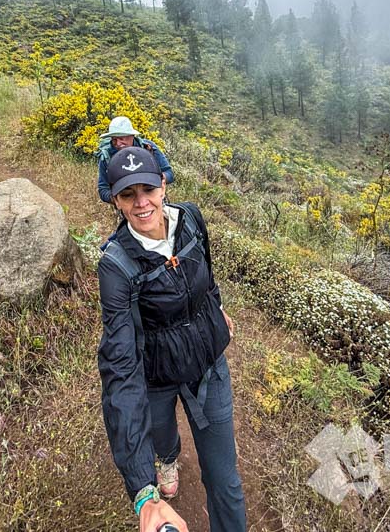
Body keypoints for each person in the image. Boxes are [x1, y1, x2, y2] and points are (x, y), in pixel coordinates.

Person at [97, 146, 246, 532]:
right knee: (163, 438)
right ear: (115, 199)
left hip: (208, 370)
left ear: (164, 185)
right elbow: (120, 365)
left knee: (224, 478)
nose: (141, 203)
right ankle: (166, 458)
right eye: (128, 194)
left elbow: (206, 275)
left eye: (148, 188)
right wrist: (144, 492)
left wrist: (214, 309)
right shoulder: (116, 265)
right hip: (156, 378)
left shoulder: (191, 219)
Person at [97, 116, 174, 203]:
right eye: (114, 139)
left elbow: (170, 174)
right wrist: (119, 199)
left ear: (132, 136)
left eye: (122, 138)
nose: (118, 143)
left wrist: (155, 179)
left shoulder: (149, 148)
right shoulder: (106, 156)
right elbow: (103, 188)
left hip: (154, 200)